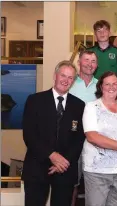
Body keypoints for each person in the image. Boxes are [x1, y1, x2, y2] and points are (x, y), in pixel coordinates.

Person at [22, 61, 86, 206]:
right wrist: (51, 155)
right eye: (63, 75)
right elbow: (29, 135)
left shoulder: (79, 105)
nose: (66, 80)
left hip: (65, 169)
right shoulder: (35, 100)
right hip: (37, 167)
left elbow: (79, 139)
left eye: (70, 77)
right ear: (55, 76)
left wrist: (63, 161)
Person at [82, 71, 117, 206]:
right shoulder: (92, 107)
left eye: (114, 84)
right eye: (107, 84)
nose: (111, 87)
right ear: (101, 87)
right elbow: (92, 136)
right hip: (97, 170)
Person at [69, 50, 98, 206]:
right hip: (72, 140)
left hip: (94, 142)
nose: (89, 64)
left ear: (97, 65)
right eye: (86, 60)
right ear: (79, 62)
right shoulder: (70, 83)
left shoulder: (101, 85)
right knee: (72, 183)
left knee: (94, 185)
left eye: (93, 61)